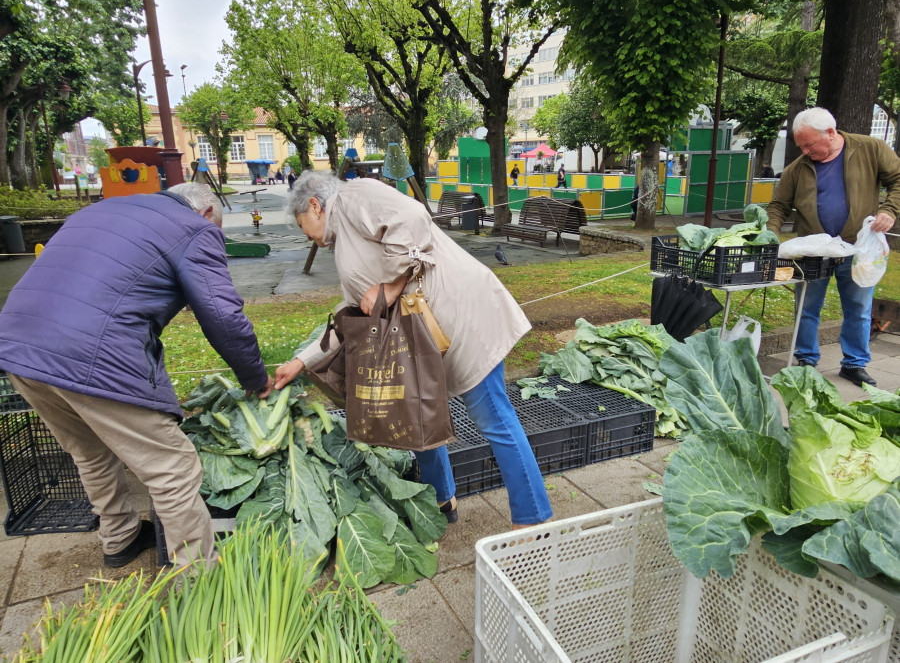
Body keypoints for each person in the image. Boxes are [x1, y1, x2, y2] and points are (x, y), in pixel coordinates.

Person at [0, 183, 273, 569]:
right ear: (208, 213)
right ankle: (198, 576)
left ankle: (120, 539)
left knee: (90, 451)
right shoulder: (194, 227)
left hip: (17, 346)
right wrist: (255, 378)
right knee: (172, 467)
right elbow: (223, 316)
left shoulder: (99, 211)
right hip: (90, 354)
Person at [275, 172, 553, 529]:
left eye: (303, 226)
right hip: (419, 338)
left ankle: (533, 518)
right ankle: (441, 501)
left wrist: (390, 286)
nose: (307, 236)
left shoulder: (353, 196)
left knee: (493, 418)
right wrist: (300, 361)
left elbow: (413, 218)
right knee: (415, 416)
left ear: (314, 206)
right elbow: (352, 317)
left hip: (461, 318)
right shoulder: (343, 238)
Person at [766, 107, 900, 387]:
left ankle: (854, 364)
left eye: (809, 143)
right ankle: (805, 360)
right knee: (806, 307)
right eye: (800, 144)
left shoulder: (870, 148)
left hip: (858, 249)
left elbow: (897, 180)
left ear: (830, 133)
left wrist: (890, 210)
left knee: (859, 308)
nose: (804, 150)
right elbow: (778, 206)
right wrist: (770, 234)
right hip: (813, 253)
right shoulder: (797, 168)